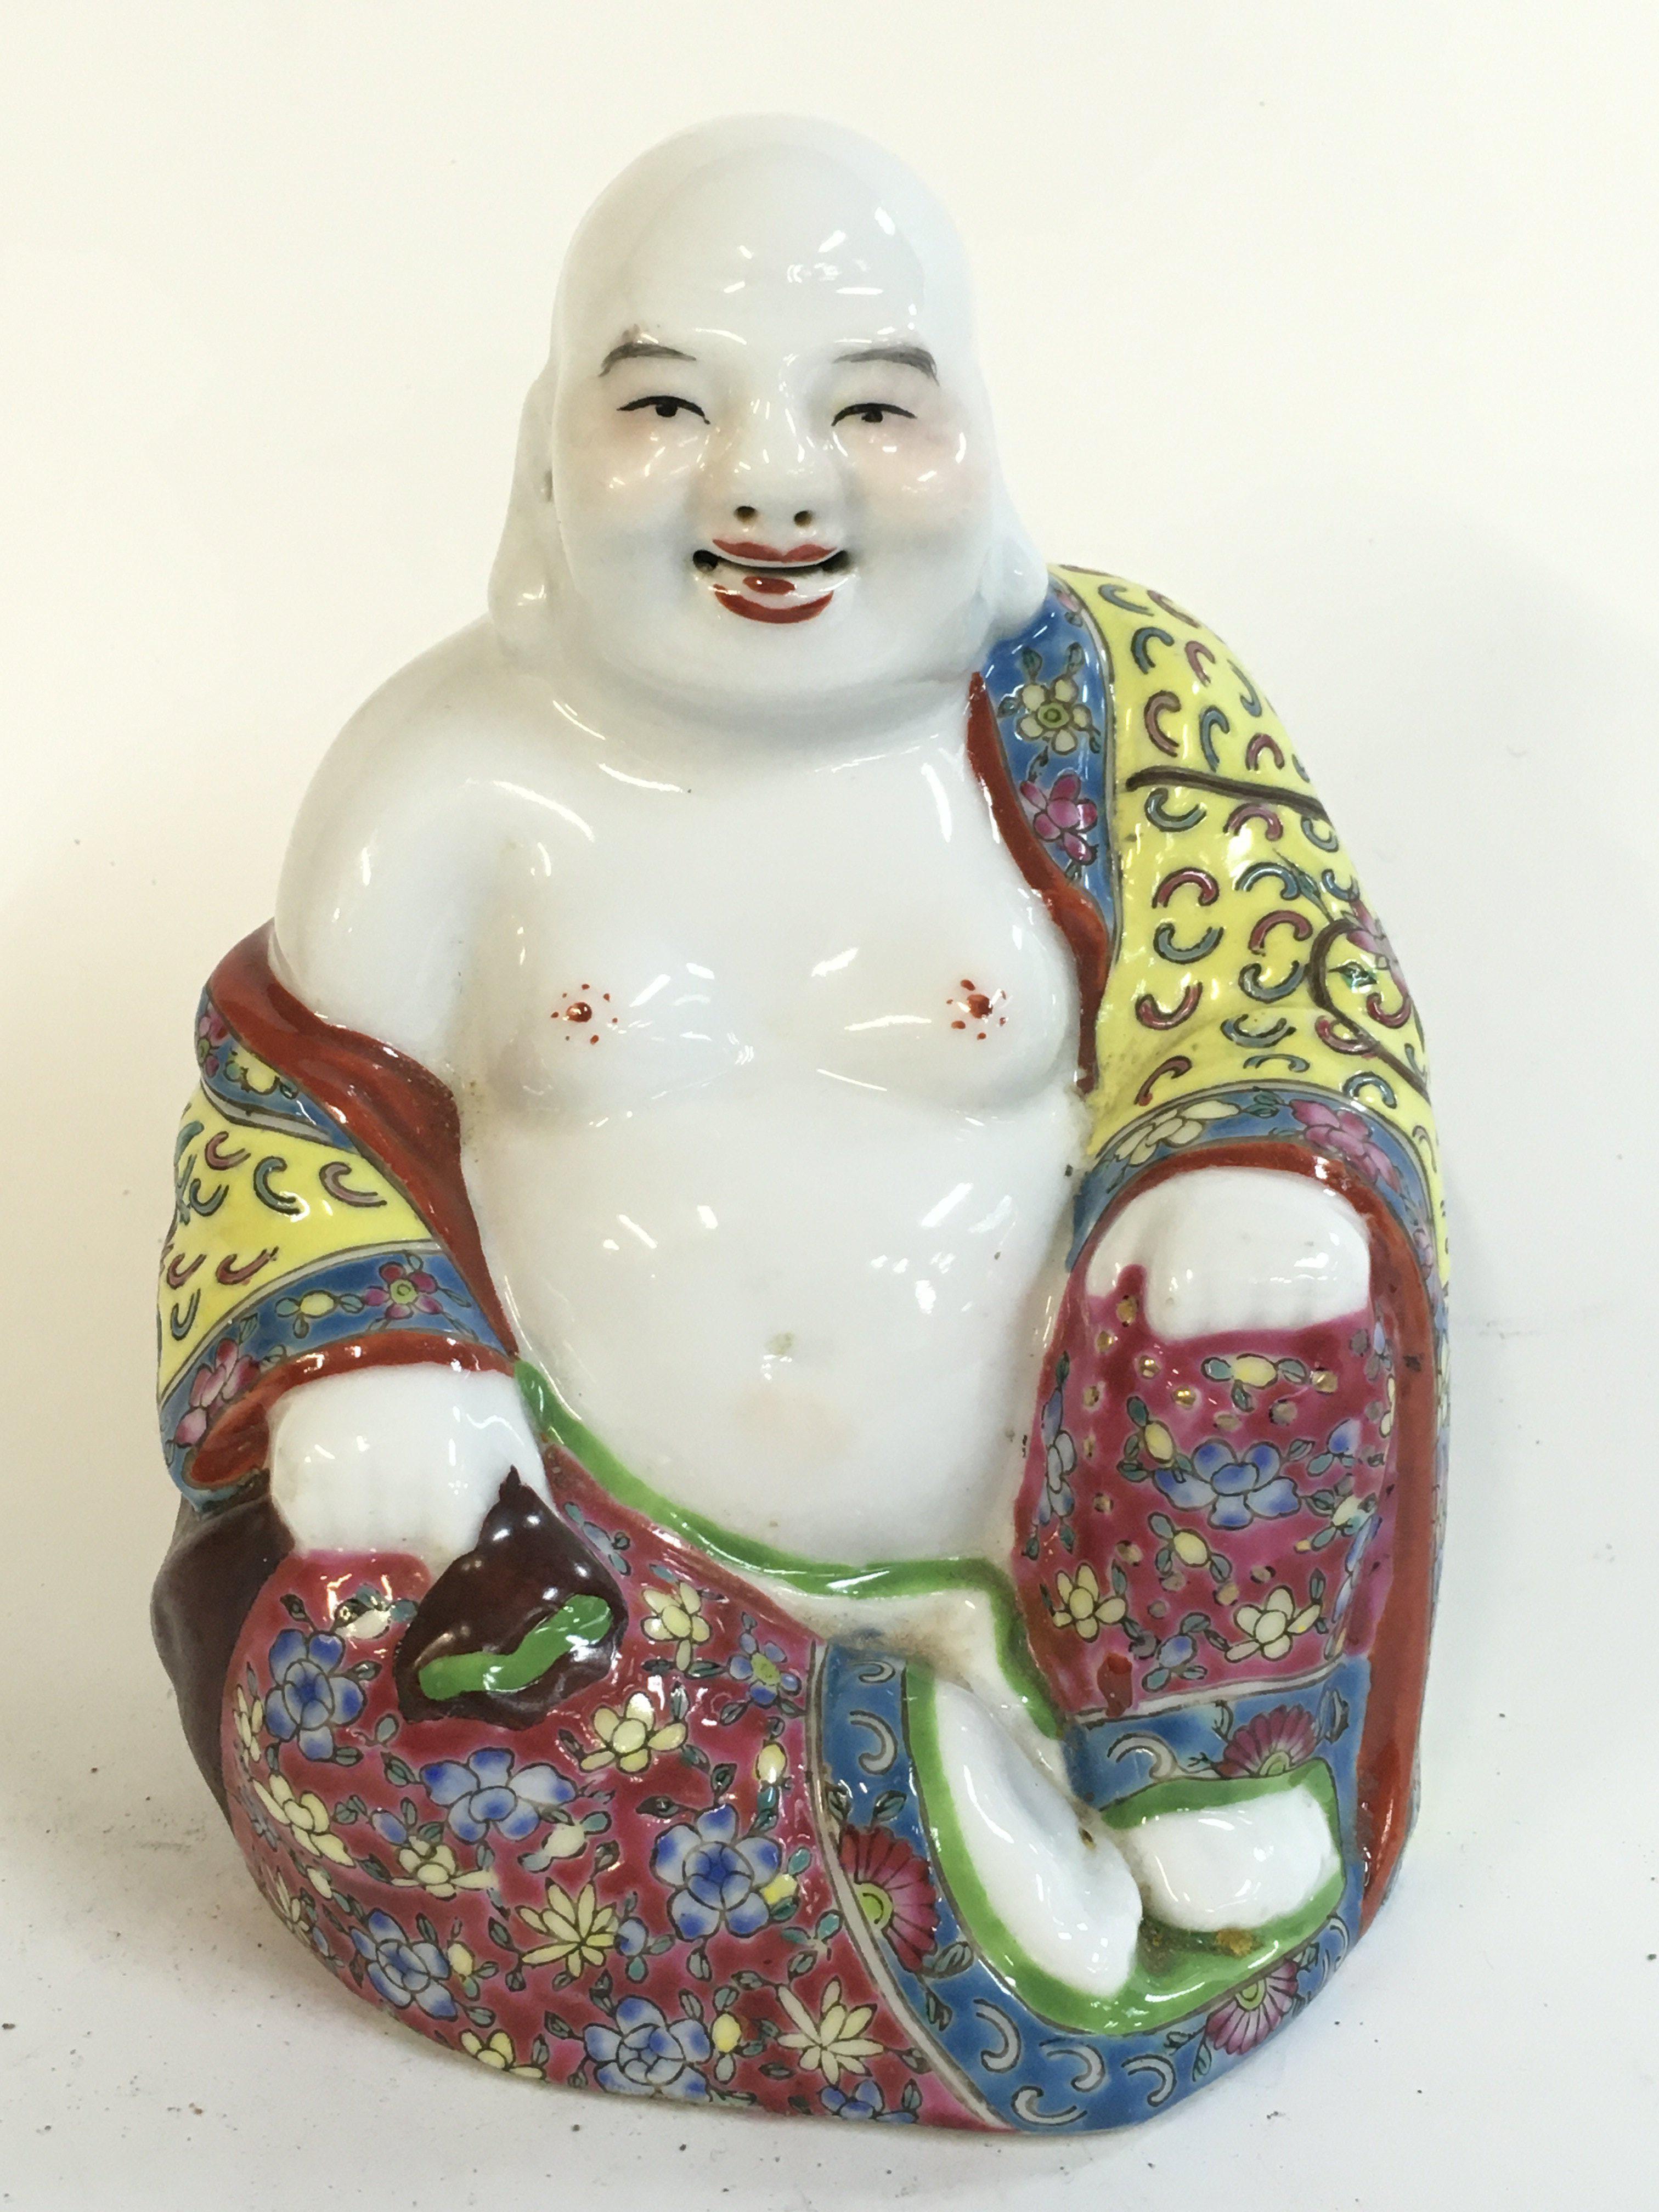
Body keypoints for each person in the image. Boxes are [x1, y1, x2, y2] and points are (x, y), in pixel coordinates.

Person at [154, 118, 1444, 2132]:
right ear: (547, 449)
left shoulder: (1107, 708)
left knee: (1277, 1227)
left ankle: (1182, 1755)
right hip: (595, 1588)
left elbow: (1286, 1000)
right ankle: (883, 1804)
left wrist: (1241, 1165)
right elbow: (287, 1119)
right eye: (668, 402)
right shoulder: (448, 776)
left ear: (978, 429)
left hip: (1073, 1572)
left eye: (872, 406)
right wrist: (378, 1362)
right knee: (362, 1693)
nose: (773, 483)